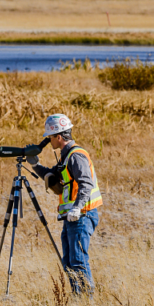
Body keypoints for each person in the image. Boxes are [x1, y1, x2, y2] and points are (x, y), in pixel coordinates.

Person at [29, 114, 102, 295]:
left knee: (78, 260)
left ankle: (87, 302)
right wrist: (35, 164)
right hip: (72, 217)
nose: (49, 141)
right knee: (69, 262)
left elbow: (86, 183)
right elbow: (52, 176)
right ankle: (79, 299)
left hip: (82, 215)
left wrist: (77, 207)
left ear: (58, 137)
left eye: (50, 137)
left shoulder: (76, 155)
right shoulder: (66, 156)